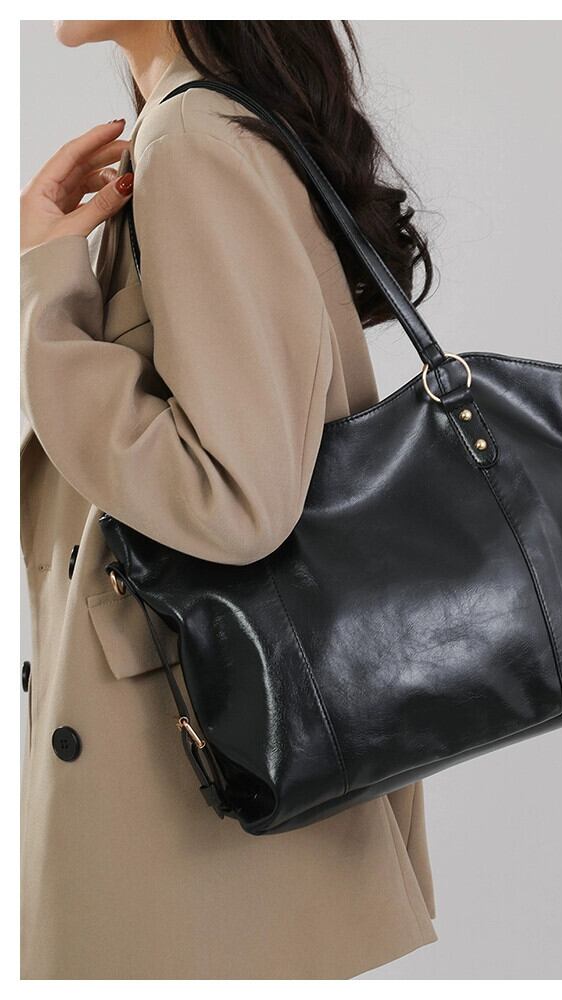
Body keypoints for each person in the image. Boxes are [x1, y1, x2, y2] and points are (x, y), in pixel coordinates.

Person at [20, 20, 436, 979]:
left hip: (196, 794)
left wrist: (49, 295)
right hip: (217, 764)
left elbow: (236, 499)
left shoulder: (193, 141)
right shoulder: (199, 127)